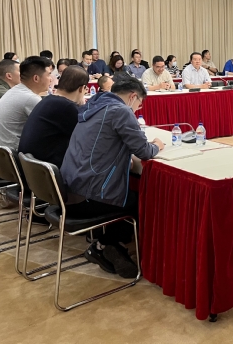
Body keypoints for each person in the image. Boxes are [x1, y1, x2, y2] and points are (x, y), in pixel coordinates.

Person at [61, 76, 164, 277]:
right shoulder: (120, 111)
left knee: (128, 191)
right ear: (132, 96)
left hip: (70, 186)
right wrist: (157, 145)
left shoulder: (95, 105)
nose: (138, 109)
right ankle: (105, 244)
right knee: (143, 201)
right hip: (88, 194)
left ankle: (111, 245)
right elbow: (144, 151)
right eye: (139, 104)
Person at [18, 65, 89, 169]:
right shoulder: (66, 107)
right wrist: (81, 107)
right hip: (48, 169)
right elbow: (86, 136)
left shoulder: (48, 100)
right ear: (82, 88)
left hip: (33, 169)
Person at [0, 56, 53, 150]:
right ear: (36, 78)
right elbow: (49, 128)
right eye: (49, 75)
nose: (51, 79)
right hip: (9, 153)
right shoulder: (30, 98)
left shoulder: (15, 90)